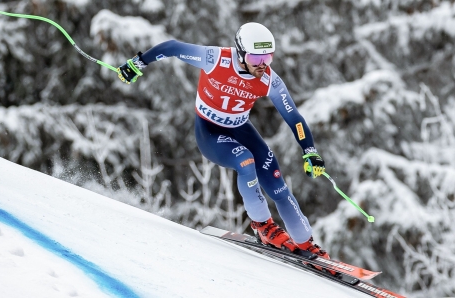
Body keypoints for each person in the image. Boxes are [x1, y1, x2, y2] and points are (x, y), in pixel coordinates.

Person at [117, 22, 329, 259]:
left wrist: (309, 150)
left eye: (268, 57)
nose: (263, 65)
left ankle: (305, 242)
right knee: (245, 161)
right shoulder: (215, 59)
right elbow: (173, 47)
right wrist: (138, 63)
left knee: (277, 183)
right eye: (256, 58)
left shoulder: (269, 79)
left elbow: (294, 118)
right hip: (210, 133)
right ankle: (263, 226)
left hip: (241, 130)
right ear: (240, 52)